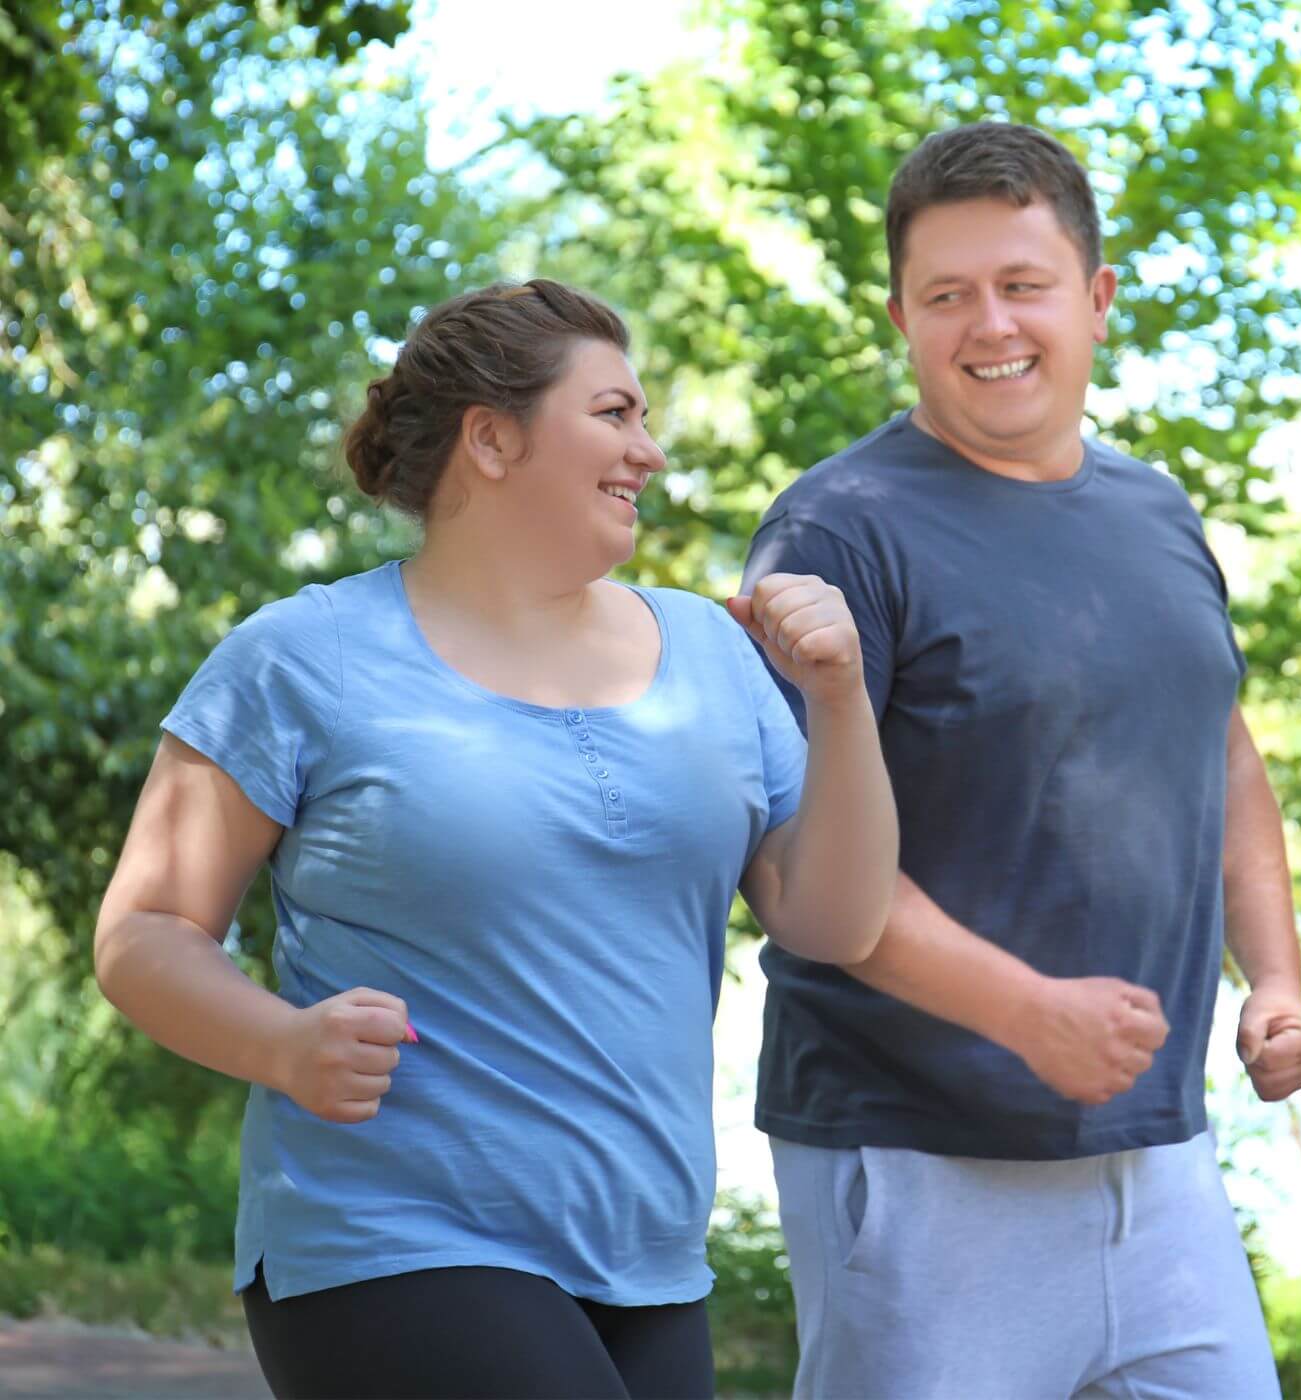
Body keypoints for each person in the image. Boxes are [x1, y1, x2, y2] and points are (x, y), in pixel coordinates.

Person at [93, 279, 898, 1400]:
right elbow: (145, 931)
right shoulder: (303, 657)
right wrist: (280, 1044)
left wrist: (842, 695)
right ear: (492, 438)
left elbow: (837, 918)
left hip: (647, 1254)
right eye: (614, 414)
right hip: (387, 1236)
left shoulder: (712, 655)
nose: (650, 452)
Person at [740, 122, 1301, 1399]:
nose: (985, 323)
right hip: (916, 1160)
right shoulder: (834, 530)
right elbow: (796, 863)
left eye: (1021, 284)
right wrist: (1022, 1009)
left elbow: (1219, 756)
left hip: (1159, 1159)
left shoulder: (1156, 514)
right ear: (900, 315)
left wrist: (1270, 978)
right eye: (945, 294)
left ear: (1096, 299)